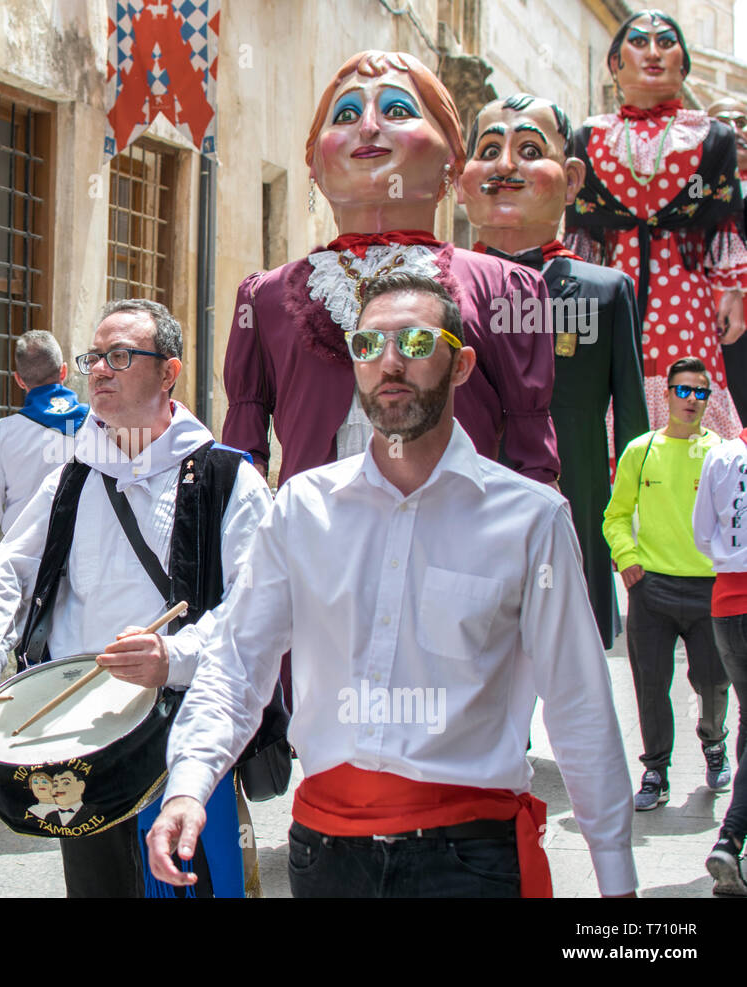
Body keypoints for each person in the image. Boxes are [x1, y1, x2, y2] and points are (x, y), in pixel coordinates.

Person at [147, 273, 637, 898]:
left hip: (470, 860)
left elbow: (579, 706)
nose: (390, 362)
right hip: (325, 856)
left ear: (460, 366)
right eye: (368, 345)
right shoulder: (302, 508)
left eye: (414, 341)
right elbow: (238, 665)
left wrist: (617, 882)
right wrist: (190, 783)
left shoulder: (530, 519)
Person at [0, 298, 276, 899]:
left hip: (179, 729)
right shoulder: (73, 475)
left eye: (120, 355)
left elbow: (256, 611)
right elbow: (6, 574)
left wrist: (173, 658)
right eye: (94, 356)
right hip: (82, 742)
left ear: (169, 372)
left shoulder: (228, 479)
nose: (100, 368)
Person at [222, 50, 558, 488]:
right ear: (315, 167)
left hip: (456, 542)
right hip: (315, 543)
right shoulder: (264, 297)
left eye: (397, 110)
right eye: (345, 113)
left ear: (451, 159)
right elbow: (243, 466)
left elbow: (534, 462)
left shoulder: (507, 289)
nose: (368, 127)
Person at [459, 92, 649, 645]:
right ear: (464, 178)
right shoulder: (441, 287)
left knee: (572, 654)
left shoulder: (605, 290)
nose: (505, 166)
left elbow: (631, 415)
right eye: (489, 149)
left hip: (574, 493)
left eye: (528, 149)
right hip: (470, 495)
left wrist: (635, 517)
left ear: (570, 180)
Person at [565, 10, 747, 440]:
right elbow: (582, 235)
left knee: (687, 393)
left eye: (666, 43)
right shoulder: (589, 137)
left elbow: (723, 221)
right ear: (615, 63)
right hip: (610, 291)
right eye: (639, 42)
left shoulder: (711, 136)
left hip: (686, 296)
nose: (652, 52)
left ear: (683, 65)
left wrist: (734, 290)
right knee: (610, 394)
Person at [603, 356, 731, 810]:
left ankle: (714, 743)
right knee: (651, 683)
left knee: (714, 681)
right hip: (651, 588)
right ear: (667, 394)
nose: (691, 400)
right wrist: (628, 558)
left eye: (700, 392)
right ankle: (655, 769)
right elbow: (615, 515)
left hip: (709, 589)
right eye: (683, 390)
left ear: (708, 400)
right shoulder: (640, 450)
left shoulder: (722, 453)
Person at [0, 330, 88, 611]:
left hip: (25, 571)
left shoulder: (3, 433)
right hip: (86, 565)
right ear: (64, 371)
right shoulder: (96, 424)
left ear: (19, 380)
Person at [693, 422, 747, 894]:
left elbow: (701, 534)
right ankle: (730, 838)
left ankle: (737, 846)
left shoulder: (723, 455)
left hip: (727, 608)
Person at [706, 96, 747, 422]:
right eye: (723, 125)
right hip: (704, 322)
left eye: (742, 123)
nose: (735, 131)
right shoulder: (694, 188)